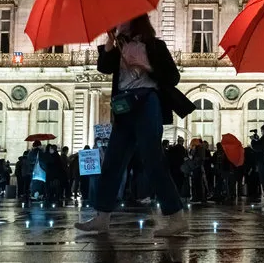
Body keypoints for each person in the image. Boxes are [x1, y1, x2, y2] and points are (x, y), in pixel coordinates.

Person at [75, 15, 195, 236]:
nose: (119, 23)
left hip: (147, 101)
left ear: (135, 22)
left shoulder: (154, 45)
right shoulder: (119, 47)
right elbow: (104, 68)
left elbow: (173, 76)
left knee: (152, 158)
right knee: (113, 160)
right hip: (124, 106)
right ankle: (102, 216)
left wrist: (147, 66)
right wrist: (110, 44)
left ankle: (176, 216)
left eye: (123, 20)